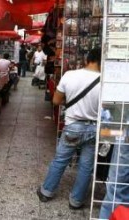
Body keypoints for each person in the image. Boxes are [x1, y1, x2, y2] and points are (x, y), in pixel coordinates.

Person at [37, 48, 102, 209]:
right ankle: (76, 200)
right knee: (86, 166)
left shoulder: (70, 75)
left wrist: (72, 102)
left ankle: (46, 192)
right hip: (95, 128)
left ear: (87, 59)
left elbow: (56, 101)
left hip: (73, 126)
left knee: (60, 160)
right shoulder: (106, 81)